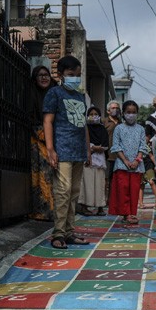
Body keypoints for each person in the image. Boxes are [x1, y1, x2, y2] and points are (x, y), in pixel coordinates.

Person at [43, 55, 90, 249]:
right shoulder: (54, 93)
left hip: (79, 151)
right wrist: (50, 149)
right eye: (71, 74)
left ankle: (69, 232)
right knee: (62, 192)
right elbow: (48, 121)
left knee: (74, 194)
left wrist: (87, 149)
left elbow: (84, 125)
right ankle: (58, 234)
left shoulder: (80, 96)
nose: (75, 78)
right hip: (62, 150)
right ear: (60, 74)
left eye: (78, 75)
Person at [108, 100, 147, 224]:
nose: (131, 114)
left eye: (134, 112)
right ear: (123, 113)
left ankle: (131, 213)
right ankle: (125, 214)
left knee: (134, 190)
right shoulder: (118, 128)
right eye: (128, 112)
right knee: (123, 190)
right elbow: (116, 146)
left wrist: (137, 160)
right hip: (121, 165)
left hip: (137, 166)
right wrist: (125, 160)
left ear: (137, 113)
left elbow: (143, 146)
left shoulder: (141, 129)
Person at [27, 65, 57, 221]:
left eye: (46, 75)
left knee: (54, 177)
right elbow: (30, 118)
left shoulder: (55, 94)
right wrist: (43, 136)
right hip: (37, 141)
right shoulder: (31, 95)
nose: (44, 78)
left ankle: (53, 211)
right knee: (39, 176)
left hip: (56, 140)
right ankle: (40, 211)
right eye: (40, 75)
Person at [79, 106, 108, 216]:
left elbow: (105, 145)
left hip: (100, 160)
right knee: (86, 183)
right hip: (87, 159)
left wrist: (98, 148)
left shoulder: (102, 129)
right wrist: (92, 147)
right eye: (91, 114)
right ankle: (84, 207)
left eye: (96, 114)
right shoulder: (84, 129)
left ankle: (100, 207)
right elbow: (82, 142)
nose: (93, 116)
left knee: (100, 184)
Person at [103, 100, 121, 194]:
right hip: (107, 155)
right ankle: (105, 200)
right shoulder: (104, 121)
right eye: (113, 108)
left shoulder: (122, 123)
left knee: (117, 180)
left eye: (117, 108)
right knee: (106, 179)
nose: (115, 110)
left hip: (120, 156)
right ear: (108, 111)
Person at [140, 125, 156, 209]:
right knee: (141, 184)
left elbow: (151, 156)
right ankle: (140, 202)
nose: (144, 138)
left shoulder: (147, 146)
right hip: (140, 166)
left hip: (148, 166)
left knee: (152, 182)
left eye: (146, 136)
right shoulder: (137, 145)